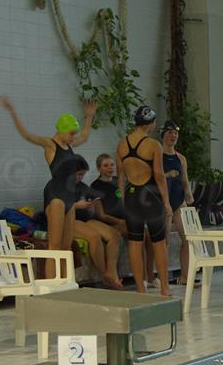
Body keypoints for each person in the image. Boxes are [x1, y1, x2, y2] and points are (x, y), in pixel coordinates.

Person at [0, 95, 96, 279]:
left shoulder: (69, 144)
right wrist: (13, 113)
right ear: (62, 130)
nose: (74, 137)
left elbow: (84, 136)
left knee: (67, 248)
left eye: (74, 133)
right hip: (56, 196)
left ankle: (65, 284)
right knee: (54, 246)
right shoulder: (50, 144)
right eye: (71, 133)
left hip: (69, 198)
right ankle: (52, 288)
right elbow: (27, 135)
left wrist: (89, 116)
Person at [116, 105, 172, 296]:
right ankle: (164, 288)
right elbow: (159, 176)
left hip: (131, 197)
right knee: (159, 243)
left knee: (135, 243)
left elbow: (120, 177)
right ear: (151, 123)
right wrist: (166, 202)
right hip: (151, 197)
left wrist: (123, 200)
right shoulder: (154, 145)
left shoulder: (121, 144)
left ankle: (140, 289)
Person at [145, 120, 195, 287]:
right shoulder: (156, 156)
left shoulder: (181, 158)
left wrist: (189, 196)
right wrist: (167, 175)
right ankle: (155, 276)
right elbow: (150, 180)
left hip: (179, 201)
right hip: (162, 202)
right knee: (162, 242)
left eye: (175, 133)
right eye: (169, 132)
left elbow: (184, 181)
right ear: (163, 135)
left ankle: (185, 277)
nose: (173, 136)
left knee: (188, 239)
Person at [72, 157, 124, 289]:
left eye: (82, 175)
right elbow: (55, 208)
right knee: (94, 236)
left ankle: (111, 272)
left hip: (87, 220)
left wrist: (90, 208)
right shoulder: (60, 188)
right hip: (70, 220)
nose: (80, 177)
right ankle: (104, 275)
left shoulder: (84, 187)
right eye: (78, 174)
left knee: (115, 236)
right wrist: (77, 206)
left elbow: (94, 210)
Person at [90, 153, 127, 236]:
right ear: (99, 168)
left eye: (112, 165)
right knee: (134, 232)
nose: (110, 167)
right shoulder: (95, 186)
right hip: (108, 223)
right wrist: (120, 222)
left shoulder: (118, 180)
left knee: (145, 231)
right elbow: (101, 215)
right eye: (106, 165)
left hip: (123, 219)